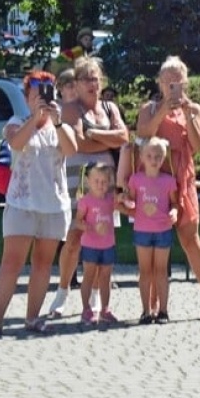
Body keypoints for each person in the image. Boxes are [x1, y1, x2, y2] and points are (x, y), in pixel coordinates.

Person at [0, 71, 79, 336]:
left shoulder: (62, 127)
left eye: (48, 93)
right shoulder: (17, 122)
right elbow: (16, 142)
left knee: (43, 263)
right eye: (37, 95)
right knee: (11, 262)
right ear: (26, 97)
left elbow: (70, 150)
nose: (44, 100)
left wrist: (55, 122)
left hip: (54, 205)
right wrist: (35, 119)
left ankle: (32, 318)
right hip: (22, 202)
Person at [128, 55, 200, 321]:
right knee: (155, 242)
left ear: (185, 83)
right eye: (167, 81)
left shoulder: (195, 109)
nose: (171, 86)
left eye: (176, 81)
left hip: (182, 176)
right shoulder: (150, 108)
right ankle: (154, 304)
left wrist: (187, 113)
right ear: (160, 83)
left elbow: (197, 143)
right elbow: (143, 135)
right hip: (155, 178)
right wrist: (164, 110)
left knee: (190, 238)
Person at [47, 57, 129, 320]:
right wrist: (104, 140)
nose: (92, 84)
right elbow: (79, 143)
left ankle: (94, 296)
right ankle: (62, 291)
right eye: (86, 79)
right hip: (78, 178)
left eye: (96, 78)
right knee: (74, 238)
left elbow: (124, 137)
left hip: (105, 180)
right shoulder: (70, 109)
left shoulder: (109, 107)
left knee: (101, 236)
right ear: (77, 84)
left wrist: (94, 135)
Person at [124, 138, 180, 324]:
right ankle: (146, 311)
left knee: (161, 271)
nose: (153, 159)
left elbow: (174, 202)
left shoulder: (168, 181)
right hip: (142, 230)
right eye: (149, 155)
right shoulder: (136, 179)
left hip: (163, 229)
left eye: (157, 156)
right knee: (145, 271)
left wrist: (174, 211)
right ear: (142, 157)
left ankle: (163, 310)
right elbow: (131, 202)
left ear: (163, 158)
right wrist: (127, 203)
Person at [73, 162, 119, 326]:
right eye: (96, 181)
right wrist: (90, 227)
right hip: (90, 244)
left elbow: (122, 205)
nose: (100, 185)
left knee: (105, 278)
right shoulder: (85, 201)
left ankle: (105, 309)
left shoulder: (111, 200)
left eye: (104, 182)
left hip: (108, 244)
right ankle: (86, 309)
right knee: (89, 276)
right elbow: (78, 221)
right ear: (89, 182)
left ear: (109, 182)